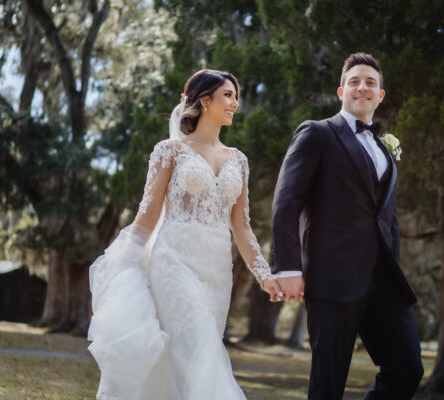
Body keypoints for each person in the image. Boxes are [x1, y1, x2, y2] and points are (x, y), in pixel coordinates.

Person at [88, 69, 282, 400]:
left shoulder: (239, 160)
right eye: (227, 95)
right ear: (205, 101)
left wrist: (264, 275)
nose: (235, 103)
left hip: (217, 271)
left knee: (183, 360)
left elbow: (241, 225)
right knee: (200, 348)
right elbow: (148, 213)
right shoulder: (170, 151)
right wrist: (124, 259)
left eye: (236, 96)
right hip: (173, 261)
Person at [271, 53, 424, 399]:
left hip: (384, 280)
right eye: (354, 81)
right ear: (341, 91)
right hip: (332, 277)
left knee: (407, 368)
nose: (362, 87)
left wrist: (393, 265)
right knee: (328, 381)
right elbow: (286, 203)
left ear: (380, 95)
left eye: (370, 82)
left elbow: (387, 217)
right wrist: (288, 267)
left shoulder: (385, 148)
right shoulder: (317, 134)